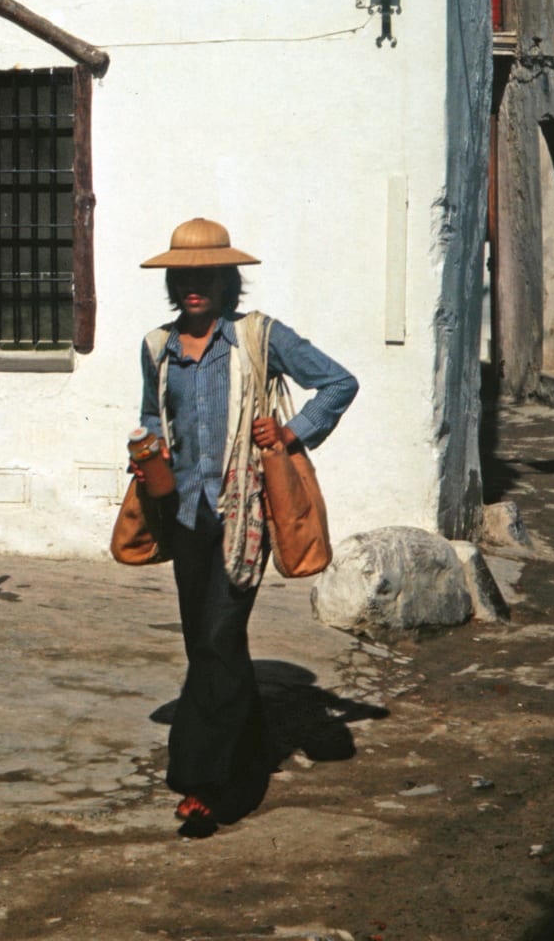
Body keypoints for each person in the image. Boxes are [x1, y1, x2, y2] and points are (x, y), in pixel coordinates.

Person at [135, 216, 358, 834]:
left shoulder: (258, 338)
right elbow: (153, 417)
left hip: (245, 515)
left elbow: (339, 383)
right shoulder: (158, 347)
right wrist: (146, 449)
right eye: (183, 276)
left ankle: (207, 782)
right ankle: (251, 749)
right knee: (212, 644)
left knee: (215, 639)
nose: (193, 287)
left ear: (228, 281)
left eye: (205, 275)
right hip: (184, 517)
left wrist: (288, 432)